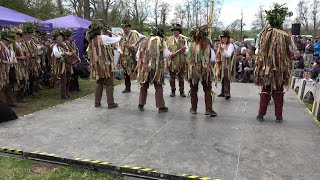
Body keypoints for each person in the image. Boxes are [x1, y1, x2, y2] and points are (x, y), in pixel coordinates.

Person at [255, 4, 295, 122]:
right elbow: (293, 49)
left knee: (266, 88)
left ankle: (261, 114)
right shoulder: (286, 35)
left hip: (267, 67)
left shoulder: (264, 33)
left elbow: (257, 49)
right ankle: (278, 115)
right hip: (280, 68)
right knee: (278, 90)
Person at [87, 22, 121, 108]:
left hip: (98, 65)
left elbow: (89, 52)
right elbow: (116, 40)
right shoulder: (102, 38)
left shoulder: (91, 40)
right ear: (98, 30)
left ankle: (97, 102)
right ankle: (111, 103)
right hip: (106, 65)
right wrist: (119, 37)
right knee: (109, 83)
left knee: (99, 82)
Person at [136, 26, 169, 113]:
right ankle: (161, 107)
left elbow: (138, 55)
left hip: (145, 67)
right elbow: (166, 55)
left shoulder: (143, 40)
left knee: (144, 86)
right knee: (158, 86)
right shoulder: (161, 41)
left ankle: (140, 104)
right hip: (156, 68)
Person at [187, 25, 217, 117]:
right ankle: (208, 109)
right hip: (205, 70)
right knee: (207, 89)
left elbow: (188, 57)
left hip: (193, 70)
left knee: (193, 89)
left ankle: (194, 108)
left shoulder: (191, 45)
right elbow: (212, 59)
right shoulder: (208, 45)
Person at [118, 21, 144, 93]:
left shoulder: (134, 34)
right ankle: (127, 87)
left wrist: (130, 46)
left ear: (129, 28)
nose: (124, 29)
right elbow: (119, 45)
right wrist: (120, 51)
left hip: (134, 56)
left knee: (138, 70)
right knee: (126, 72)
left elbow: (137, 44)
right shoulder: (122, 35)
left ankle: (143, 87)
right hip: (125, 57)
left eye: (126, 28)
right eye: (123, 28)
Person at [166, 23, 188, 97]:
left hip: (181, 60)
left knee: (181, 76)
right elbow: (166, 49)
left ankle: (181, 91)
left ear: (179, 31)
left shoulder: (184, 39)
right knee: (172, 77)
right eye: (174, 30)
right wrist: (170, 53)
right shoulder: (169, 39)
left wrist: (184, 50)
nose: (175, 32)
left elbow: (187, 50)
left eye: (177, 30)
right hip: (171, 61)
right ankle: (173, 91)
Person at [51, 29, 73, 99]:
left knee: (68, 79)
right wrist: (65, 53)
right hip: (61, 65)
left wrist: (72, 53)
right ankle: (63, 95)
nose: (60, 37)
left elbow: (70, 51)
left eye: (61, 36)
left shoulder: (66, 44)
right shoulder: (55, 46)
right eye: (58, 36)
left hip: (68, 63)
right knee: (64, 80)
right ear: (55, 38)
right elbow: (57, 55)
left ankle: (67, 92)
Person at [215, 30, 236, 100]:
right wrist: (217, 60)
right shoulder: (221, 45)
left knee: (226, 77)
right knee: (222, 78)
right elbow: (217, 55)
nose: (224, 39)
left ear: (228, 39)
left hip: (227, 64)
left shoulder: (230, 45)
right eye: (223, 38)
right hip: (220, 65)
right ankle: (223, 92)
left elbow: (229, 55)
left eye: (225, 38)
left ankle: (227, 93)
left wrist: (223, 50)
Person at [0, 29, 18, 107]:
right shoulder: (1, 48)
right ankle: (4, 104)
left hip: (7, 70)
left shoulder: (9, 49)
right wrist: (8, 62)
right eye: (7, 41)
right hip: (2, 70)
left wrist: (12, 61)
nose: (8, 43)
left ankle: (9, 102)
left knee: (8, 86)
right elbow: (2, 60)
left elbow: (14, 58)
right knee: (3, 86)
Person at [21, 22, 40, 96]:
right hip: (25, 62)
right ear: (25, 34)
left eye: (31, 34)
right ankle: (23, 93)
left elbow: (37, 49)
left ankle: (30, 91)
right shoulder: (22, 42)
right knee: (24, 77)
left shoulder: (32, 42)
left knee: (32, 76)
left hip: (33, 62)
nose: (30, 35)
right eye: (28, 34)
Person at [12, 27, 29, 103]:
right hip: (16, 65)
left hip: (23, 64)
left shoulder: (22, 43)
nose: (18, 36)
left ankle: (21, 95)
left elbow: (25, 52)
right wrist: (20, 57)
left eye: (19, 35)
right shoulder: (12, 44)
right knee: (17, 80)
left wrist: (27, 55)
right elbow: (11, 56)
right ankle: (16, 96)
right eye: (17, 34)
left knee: (23, 79)